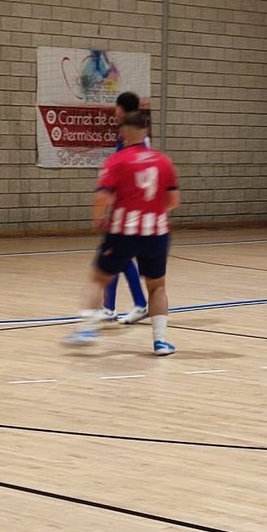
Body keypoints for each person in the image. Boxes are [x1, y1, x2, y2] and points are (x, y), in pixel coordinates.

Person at [64, 111, 180, 356]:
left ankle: (87, 329)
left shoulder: (117, 160)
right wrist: (153, 211)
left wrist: (98, 219)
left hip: (124, 230)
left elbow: (102, 197)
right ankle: (160, 341)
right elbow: (173, 200)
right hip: (156, 232)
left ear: (123, 132)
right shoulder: (164, 161)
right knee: (157, 287)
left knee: (98, 278)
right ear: (147, 131)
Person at [98, 91, 150, 324]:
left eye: (116, 107)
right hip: (128, 203)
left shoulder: (132, 138)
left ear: (122, 109)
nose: (114, 111)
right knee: (118, 256)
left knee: (119, 255)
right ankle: (110, 307)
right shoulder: (129, 133)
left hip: (132, 205)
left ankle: (138, 304)